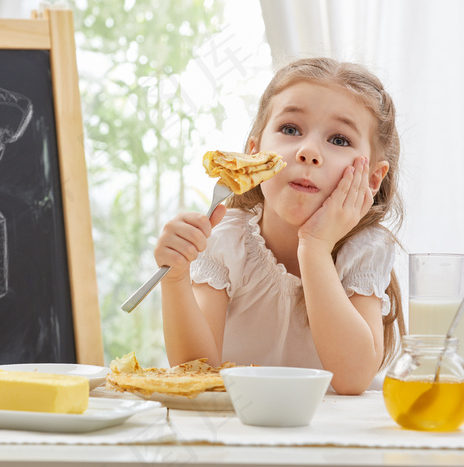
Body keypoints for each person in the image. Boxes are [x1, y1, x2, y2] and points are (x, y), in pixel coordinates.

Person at [154, 57, 404, 395]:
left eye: (339, 140)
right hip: (240, 434)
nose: (308, 151)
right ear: (253, 152)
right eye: (290, 129)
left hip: (325, 438)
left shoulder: (365, 251)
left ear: (372, 178)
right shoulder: (227, 240)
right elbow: (195, 370)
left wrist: (314, 247)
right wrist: (176, 278)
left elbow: (352, 379)